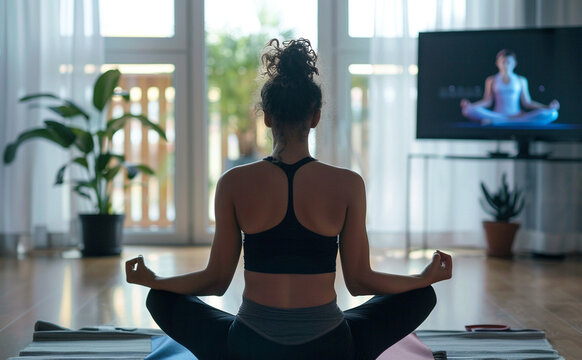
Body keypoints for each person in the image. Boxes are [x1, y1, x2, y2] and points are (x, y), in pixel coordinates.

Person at [125, 38, 453, 360]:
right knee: (420, 296)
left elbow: (216, 281)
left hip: (249, 347)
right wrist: (422, 278)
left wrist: (154, 279)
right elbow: (359, 280)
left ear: (266, 116)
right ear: (316, 117)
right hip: (330, 348)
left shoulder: (233, 183)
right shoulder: (348, 184)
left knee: (160, 298)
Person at [460, 49, 559, 125]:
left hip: (517, 116)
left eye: (508, 62)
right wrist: (471, 106)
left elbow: (527, 102)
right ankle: (504, 121)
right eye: (503, 62)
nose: (505, 65)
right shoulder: (491, 79)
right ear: (497, 63)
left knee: (552, 113)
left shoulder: (521, 80)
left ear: (514, 63)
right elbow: (487, 101)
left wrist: (547, 107)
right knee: (467, 111)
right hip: (497, 115)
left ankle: (499, 122)